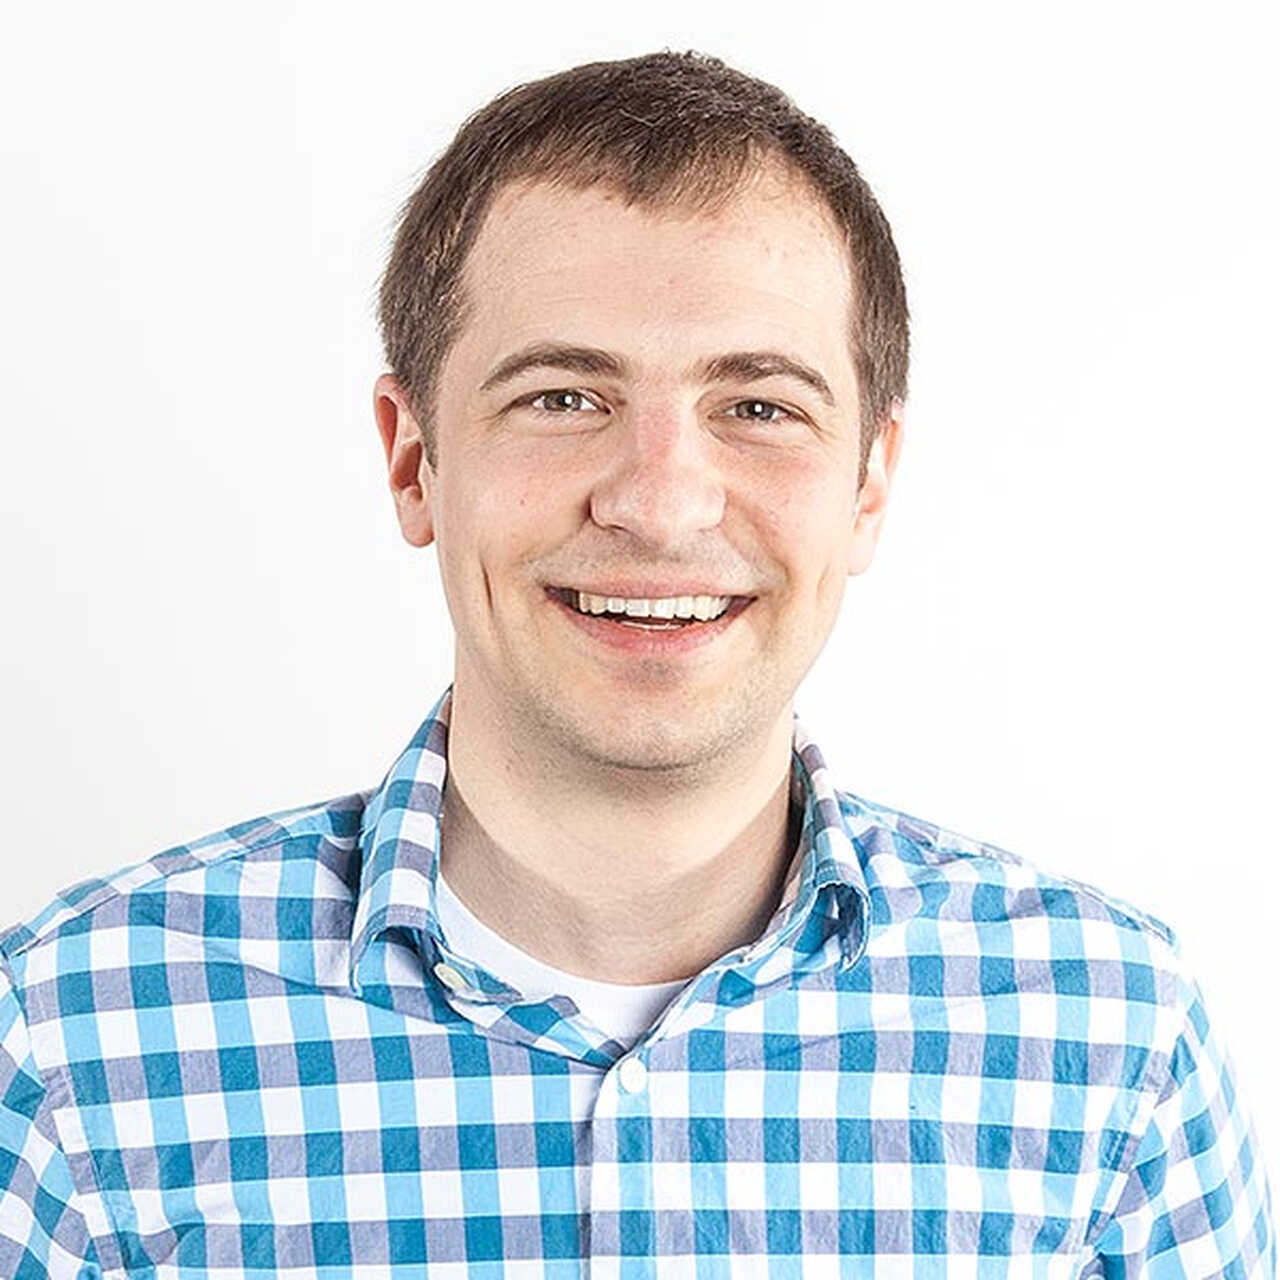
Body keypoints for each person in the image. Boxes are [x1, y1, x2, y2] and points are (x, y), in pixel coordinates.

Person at [0, 50, 1272, 1278]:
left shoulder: (1113, 1042)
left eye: (758, 406)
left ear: (869, 483)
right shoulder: (70, 1040)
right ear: (412, 458)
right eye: (562, 396)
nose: (659, 504)